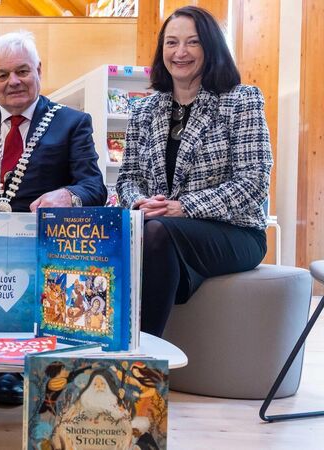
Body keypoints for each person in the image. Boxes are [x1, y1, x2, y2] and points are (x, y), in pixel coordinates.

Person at [0, 31, 107, 406]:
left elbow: (94, 185)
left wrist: (69, 195)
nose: (13, 81)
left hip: (42, 246)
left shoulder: (72, 122)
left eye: (22, 71)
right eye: (2, 74)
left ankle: (17, 367)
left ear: (39, 71)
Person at [116, 6, 272, 337]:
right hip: (161, 226)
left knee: (156, 233)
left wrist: (184, 207)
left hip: (234, 232)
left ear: (211, 47)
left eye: (193, 42)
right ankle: (114, 355)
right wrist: (139, 203)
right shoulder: (144, 109)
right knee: (145, 233)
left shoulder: (241, 100)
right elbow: (127, 178)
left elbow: (254, 182)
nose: (180, 52)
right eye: (171, 43)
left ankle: (140, 359)